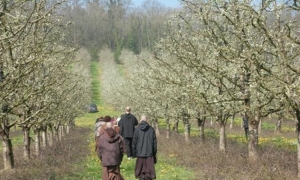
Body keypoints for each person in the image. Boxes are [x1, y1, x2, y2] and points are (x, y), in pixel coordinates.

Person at [132, 115, 157, 180]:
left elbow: (134, 142)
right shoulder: (151, 129)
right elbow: (154, 143)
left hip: (140, 153)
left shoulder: (137, 129)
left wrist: (134, 153)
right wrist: (154, 152)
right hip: (149, 153)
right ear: (147, 120)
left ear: (140, 120)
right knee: (149, 171)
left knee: (140, 170)